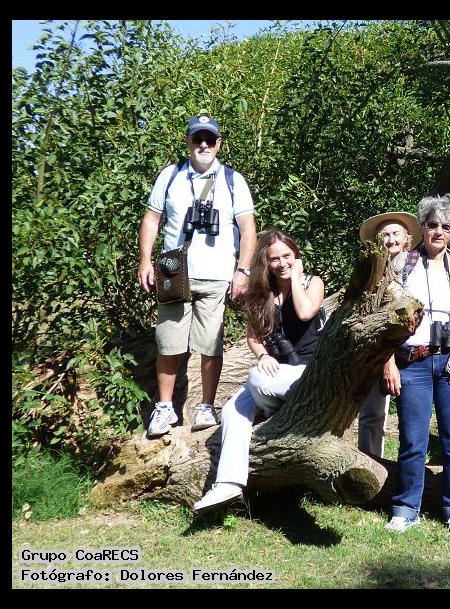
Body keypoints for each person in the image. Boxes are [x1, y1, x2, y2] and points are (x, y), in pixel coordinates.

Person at [137, 115, 257, 438]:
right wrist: (145, 261)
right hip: (174, 271)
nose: (203, 144)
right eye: (197, 139)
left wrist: (243, 270)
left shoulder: (233, 180)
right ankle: (165, 407)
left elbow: (248, 229)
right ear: (188, 142)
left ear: (218, 144)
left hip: (217, 274)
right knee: (168, 340)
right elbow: (151, 220)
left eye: (209, 139)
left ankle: (206, 405)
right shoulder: (170, 176)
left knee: (211, 343)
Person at [193, 229, 325, 513]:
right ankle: (228, 484)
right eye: (274, 259)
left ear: (296, 255)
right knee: (232, 411)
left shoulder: (312, 282)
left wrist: (296, 277)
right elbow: (253, 337)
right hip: (274, 374)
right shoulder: (262, 292)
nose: (282, 263)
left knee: (256, 380)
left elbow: (305, 312)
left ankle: (270, 405)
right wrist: (263, 355)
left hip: (307, 373)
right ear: (266, 261)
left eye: (287, 256)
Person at [385, 194, 450, 534]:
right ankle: (405, 508)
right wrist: (388, 363)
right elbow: (384, 319)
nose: (439, 231)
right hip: (413, 362)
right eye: (432, 224)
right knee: (413, 441)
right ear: (422, 228)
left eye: (446, 226)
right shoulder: (402, 264)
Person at [356, 211, 421, 458]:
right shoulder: (370, 270)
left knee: (412, 417)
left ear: (407, 238)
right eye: (385, 235)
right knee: (372, 414)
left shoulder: (419, 267)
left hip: (414, 350)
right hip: (378, 350)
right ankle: (369, 463)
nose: (391, 239)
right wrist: (386, 360)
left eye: (396, 234)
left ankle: (403, 469)